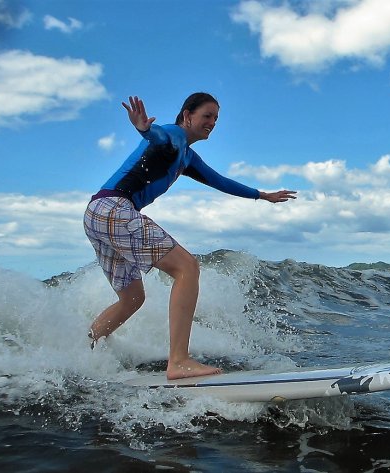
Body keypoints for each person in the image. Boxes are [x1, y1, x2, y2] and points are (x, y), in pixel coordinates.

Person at [83, 93, 296, 380]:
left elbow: (220, 181)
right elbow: (159, 138)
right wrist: (145, 129)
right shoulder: (175, 136)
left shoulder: (188, 157)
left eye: (216, 118)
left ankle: (85, 351)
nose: (212, 122)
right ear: (187, 116)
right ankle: (179, 361)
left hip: (97, 214)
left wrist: (261, 195)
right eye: (207, 115)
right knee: (187, 267)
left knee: (132, 298)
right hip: (114, 209)